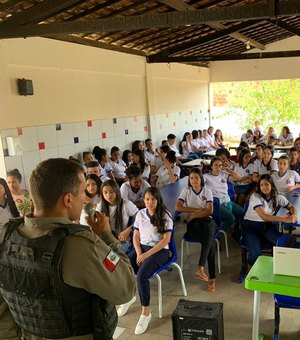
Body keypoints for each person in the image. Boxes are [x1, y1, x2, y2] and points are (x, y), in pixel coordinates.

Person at [0, 158, 136, 340]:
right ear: (68, 200)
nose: (85, 198)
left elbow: (3, 312)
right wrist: (105, 236)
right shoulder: (79, 245)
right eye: (82, 192)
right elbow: (125, 289)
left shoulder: (5, 236)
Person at [118, 187, 173, 335]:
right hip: (141, 249)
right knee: (124, 266)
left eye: (153, 199)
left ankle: (145, 313)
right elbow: (135, 237)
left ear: (158, 200)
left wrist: (146, 254)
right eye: (147, 199)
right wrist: (138, 253)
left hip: (160, 251)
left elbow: (165, 240)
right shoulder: (141, 214)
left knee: (142, 276)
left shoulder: (166, 215)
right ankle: (129, 297)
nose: (149, 202)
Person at [242, 174, 297, 266]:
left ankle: (282, 266)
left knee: (284, 244)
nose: (264, 187)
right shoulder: (255, 197)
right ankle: (247, 266)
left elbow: (291, 206)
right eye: (261, 185)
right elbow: (264, 216)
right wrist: (285, 220)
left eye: (266, 184)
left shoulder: (277, 196)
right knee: (256, 254)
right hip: (251, 227)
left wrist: (294, 214)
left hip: (267, 227)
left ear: (271, 185)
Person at [175, 168, 216, 293]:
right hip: (194, 224)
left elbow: (210, 211)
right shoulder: (186, 190)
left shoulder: (207, 190)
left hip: (206, 220)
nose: (194, 180)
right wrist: (198, 210)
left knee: (209, 230)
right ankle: (211, 277)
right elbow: (178, 207)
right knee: (210, 242)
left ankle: (201, 268)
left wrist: (193, 214)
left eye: (196, 178)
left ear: (201, 179)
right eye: (191, 178)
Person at [203, 157, 243, 235]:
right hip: (216, 203)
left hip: (227, 201)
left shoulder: (223, 174)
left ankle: (237, 232)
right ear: (211, 166)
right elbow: (199, 182)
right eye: (216, 165)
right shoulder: (206, 176)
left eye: (220, 165)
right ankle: (215, 238)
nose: (218, 167)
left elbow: (239, 178)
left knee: (242, 213)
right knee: (231, 218)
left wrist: (228, 170)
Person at [96, 180, 138, 253]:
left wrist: (129, 230)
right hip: (106, 239)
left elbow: (140, 218)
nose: (108, 195)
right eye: (105, 192)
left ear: (117, 191)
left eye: (111, 192)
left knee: (115, 256)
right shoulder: (100, 206)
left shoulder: (126, 204)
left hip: (122, 240)